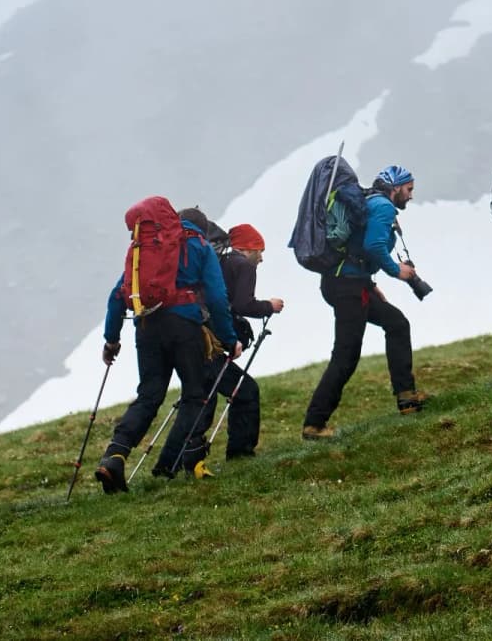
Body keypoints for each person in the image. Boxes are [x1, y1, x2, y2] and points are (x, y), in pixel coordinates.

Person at [96, 197, 241, 492]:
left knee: (149, 395)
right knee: (195, 394)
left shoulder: (144, 248)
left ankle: (115, 455)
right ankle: (177, 461)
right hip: (183, 328)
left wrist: (112, 340)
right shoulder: (199, 245)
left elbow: (116, 296)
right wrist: (227, 339)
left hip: (146, 326)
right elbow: (216, 296)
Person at [301, 164, 429, 439]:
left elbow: (358, 246)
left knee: (396, 323)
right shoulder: (383, 207)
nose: (410, 195)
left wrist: (370, 285)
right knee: (346, 356)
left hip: (347, 283)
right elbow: (373, 246)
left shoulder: (370, 201)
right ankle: (314, 423)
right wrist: (398, 272)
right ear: (395, 187)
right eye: (409, 190)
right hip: (348, 287)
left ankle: (407, 397)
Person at [201, 221, 282, 460]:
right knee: (245, 390)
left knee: (203, 395)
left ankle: (179, 458)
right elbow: (243, 304)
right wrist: (270, 306)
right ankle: (240, 452)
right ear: (248, 249)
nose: (261, 258)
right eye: (260, 251)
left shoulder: (220, 262)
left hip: (199, 336)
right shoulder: (244, 266)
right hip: (212, 343)